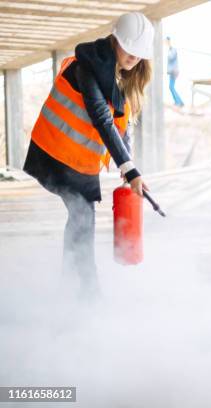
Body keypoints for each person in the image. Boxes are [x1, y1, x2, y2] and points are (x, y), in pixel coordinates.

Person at [22, 12, 154, 297]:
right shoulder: (89, 67)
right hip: (55, 155)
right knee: (83, 218)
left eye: (138, 53)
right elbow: (101, 119)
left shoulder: (116, 75)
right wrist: (129, 168)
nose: (133, 56)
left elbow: (120, 128)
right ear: (115, 39)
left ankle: (73, 288)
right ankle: (86, 294)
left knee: (81, 218)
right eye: (129, 48)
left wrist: (127, 167)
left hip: (77, 162)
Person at [165, 36, 184, 107]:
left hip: (174, 71)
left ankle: (178, 102)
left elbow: (171, 57)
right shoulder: (171, 49)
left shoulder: (173, 49)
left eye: (167, 41)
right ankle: (179, 102)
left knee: (171, 87)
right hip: (172, 71)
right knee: (171, 87)